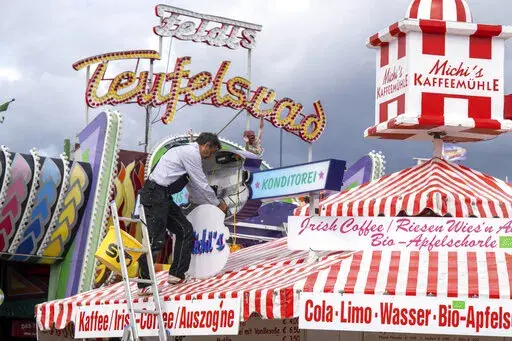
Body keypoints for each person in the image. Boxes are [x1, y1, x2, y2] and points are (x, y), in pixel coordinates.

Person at [137, 132, 228, 296]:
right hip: (154, 194)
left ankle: (176, 274)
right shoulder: (191, 154)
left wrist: (209, 204)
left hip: (163, 195)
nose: (210, 156)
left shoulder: (186, 155)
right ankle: (144, 283)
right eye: (212, 151)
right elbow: (200, 183)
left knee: (185, 230)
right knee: (155, 240)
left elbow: (193, 187)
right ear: (206, 145)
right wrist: (217, 204)